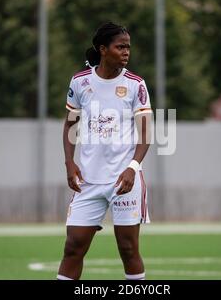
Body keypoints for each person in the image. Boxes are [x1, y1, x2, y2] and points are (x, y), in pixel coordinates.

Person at [57, 22, 153, 280]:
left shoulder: (136, 84)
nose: (126, 52)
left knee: (128, 248)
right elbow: (70, 123)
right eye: (120, 46)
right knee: (73, 247)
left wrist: (133, 167)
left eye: (128, 47)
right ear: (103, 49)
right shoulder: (79, 82)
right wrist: (69, 162)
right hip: (88, 181)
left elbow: (146, 133)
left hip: (124, 180)